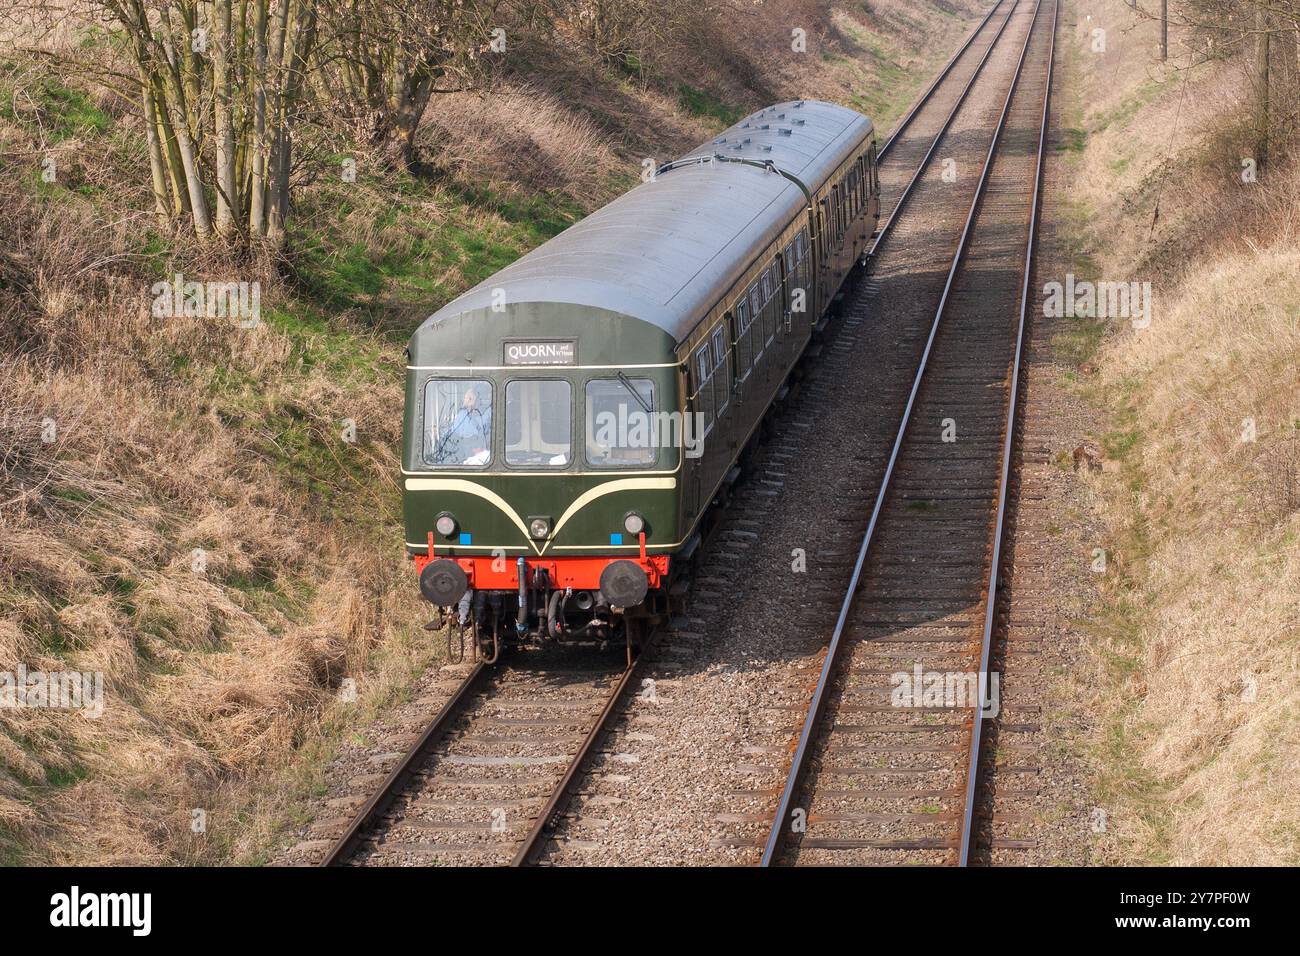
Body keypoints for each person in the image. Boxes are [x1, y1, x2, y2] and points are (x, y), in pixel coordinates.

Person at [431, 386, 491, 465]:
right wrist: (438, 434)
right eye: (466, 398)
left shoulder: (484, 414)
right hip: (463, 451)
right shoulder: (462, 415)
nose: (467, 400)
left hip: (479, 452)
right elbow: (452, 431)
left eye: (470, 398)